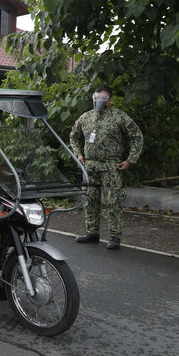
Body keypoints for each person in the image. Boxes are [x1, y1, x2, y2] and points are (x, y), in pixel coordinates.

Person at [69, 85, 143, 250]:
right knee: (90, 200)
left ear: (110, 100)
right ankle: (92, 232)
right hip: (90, 165)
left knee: (113, 202)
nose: (98, 101)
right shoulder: (86, 117)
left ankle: (115, 236)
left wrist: (130, 160)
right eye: (96, 98)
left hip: (111, 166)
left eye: (102, 98)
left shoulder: (119, 117)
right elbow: (73, 136)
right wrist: (78, 154)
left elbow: (137, 136)